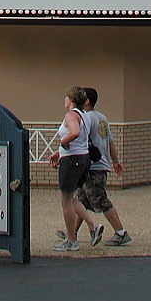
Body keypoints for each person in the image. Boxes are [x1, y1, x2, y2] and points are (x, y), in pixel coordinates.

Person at [56, 87, 132, 247]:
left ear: (86, 101)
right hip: (101, 163)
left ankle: (121, 232)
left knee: (99, 199)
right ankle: (73, 232)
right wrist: (115, 160)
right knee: (81, 199)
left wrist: (61, 148)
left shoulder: (84, 118)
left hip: (93, 166)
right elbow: (109, 141)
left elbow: (78, 139)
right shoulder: (101, 117)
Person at [48, 86, 104, 251]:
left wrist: (62, 143)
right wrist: (59, 153)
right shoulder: (85, 116)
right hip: (83, 159)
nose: (64, 100)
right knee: (72, 198)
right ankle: (93, 225)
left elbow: (75, 132)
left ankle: (71, 240)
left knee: (66, 201)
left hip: (72, 161)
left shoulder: (71, 115)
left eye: (66, 97)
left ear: (71, 100)